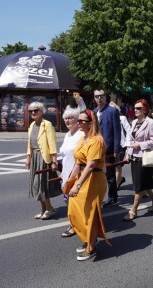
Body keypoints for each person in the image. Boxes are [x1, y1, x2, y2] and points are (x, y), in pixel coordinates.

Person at [67, 110, 111, 261]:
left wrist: (77, 186)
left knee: (90, 214)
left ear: (91, 123)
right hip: (83, 179)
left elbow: (90, 165)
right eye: (77, 120)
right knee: (76, 209)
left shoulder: (96, 141)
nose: (77, 123)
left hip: (94, 180)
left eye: (81, 121)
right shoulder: (83, 138)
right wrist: (70, 180)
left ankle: (91, 247)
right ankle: (88, 238)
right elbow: (78, 162)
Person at [123, 99, 153, 221]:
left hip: (143, 158)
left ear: (145, 109)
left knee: (138, 187)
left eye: (138, 108)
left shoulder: (150, 123)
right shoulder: (134, 122)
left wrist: (140, 145)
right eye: (134, 108)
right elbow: (131, 140)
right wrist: (128, 153)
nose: (136, 110)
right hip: (134, 157)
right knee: (142, 183)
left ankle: (133, 210)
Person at [26, 102, 61, 220]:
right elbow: (29, 144)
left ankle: (49, 208)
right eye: (30, 111)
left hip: (43, 158)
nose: (33, 113)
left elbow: (52, 144)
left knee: (41, 185)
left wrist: (54, 161)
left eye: (36, 110)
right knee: (35, 185)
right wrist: (28, 158)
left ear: (42, 112)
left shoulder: (47, 124)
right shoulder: (31, 125)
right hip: (35, 158)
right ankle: (43, 209)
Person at [93, 88, 121, 208]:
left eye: (102, 96)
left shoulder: (112, 111)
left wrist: (116, 149)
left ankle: (112, 197)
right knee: (98, 173)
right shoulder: (93, 112)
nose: (99, 98)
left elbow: (117, 131)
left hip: (108, 148)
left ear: (106, 97)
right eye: (97, 96)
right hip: (95, 148)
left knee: (110, 174)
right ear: (94, 98)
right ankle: (99, 196)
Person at [59, 107, 84, 237]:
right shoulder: (67, 135)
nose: (68, 120)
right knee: (68, 201)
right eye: (66, 118)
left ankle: (74, 226)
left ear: (77, 120)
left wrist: (73, 175)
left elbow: (80, 157)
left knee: (73, 202)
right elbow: (65, 156)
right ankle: (76, 223)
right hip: (66, 172)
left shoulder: (81, 134)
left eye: (71, 118)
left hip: (76, 173)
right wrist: (63, 172)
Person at [109, 101, 131, 190]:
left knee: (118, 165)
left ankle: (116, 185)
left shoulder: (122, 118)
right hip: (110, 145)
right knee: (111, 166)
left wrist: (128, 144)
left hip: (120, 145)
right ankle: (120, 179)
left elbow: (129, 130)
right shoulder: (106, 118)